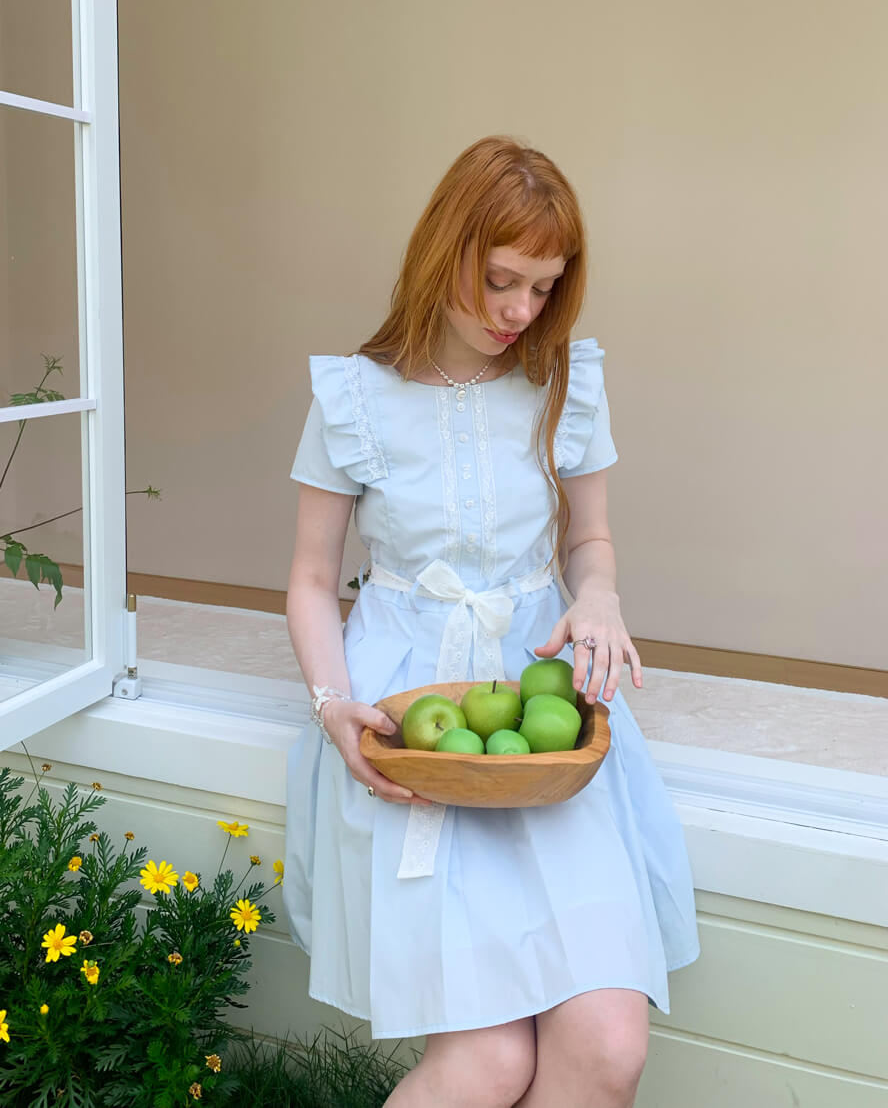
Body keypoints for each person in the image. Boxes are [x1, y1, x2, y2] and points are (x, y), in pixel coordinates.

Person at [282, 136, 699, 1108]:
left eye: (544, 287)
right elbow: (309, 579)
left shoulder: (564, 384)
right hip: (410, 720)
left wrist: (597, 594)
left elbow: (588, 543)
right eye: (500, 279)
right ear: (444, 254)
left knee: (606, 1049)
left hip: (543, 710)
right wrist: (331, 704)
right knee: (487, 1063)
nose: (521, 311)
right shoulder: (353, 397)